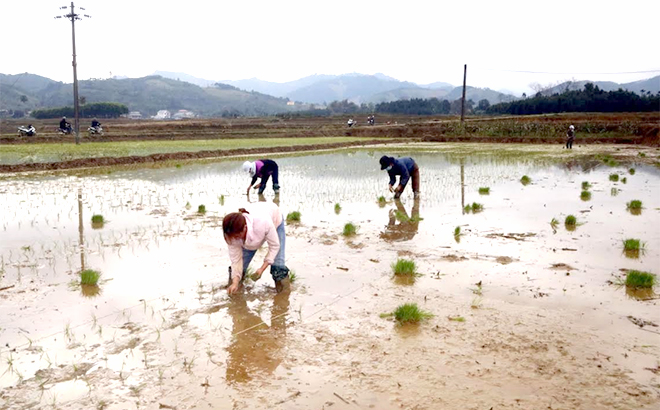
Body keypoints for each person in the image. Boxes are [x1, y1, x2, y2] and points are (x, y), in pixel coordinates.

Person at [223, 202, 290, 294]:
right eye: (233, 237)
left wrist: (261, 269)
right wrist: (235, 282)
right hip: (254, 226)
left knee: (278, 266)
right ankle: (235, 292)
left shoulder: (263, 222)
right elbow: (236, 260)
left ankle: (283, 295)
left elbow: (274, 246)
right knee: (240, 267)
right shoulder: (231, 234)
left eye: (237, 236)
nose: (235, 239)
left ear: (245, 228)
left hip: (274, 218)